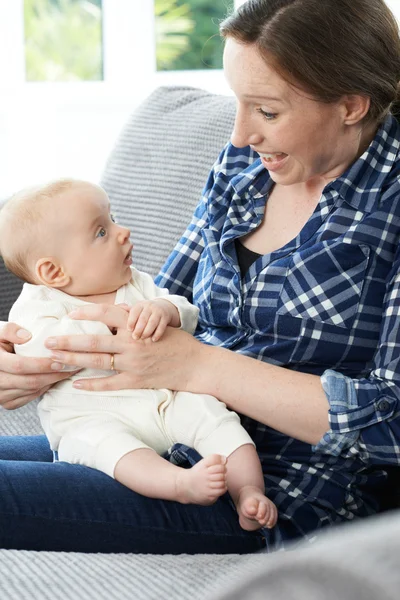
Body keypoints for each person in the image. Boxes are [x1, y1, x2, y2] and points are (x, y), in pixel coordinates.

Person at [0, 0, 399, 553]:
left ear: (352, 105)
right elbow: (158, 298)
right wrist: (34, 356)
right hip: (161, 427)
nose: (238, 136)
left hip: (288, 487)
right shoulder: (244, 169)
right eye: (237, 102)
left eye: (266, 110)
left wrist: (201, 364)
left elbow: (393, 422)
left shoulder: (390, 204)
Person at [0, 178, 277, 532]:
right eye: (101, 231)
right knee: (104, 446)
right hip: (95, 418)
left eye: (113, 218)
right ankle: (181, 485)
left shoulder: (136, 284)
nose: (123, 231)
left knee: (215, 418)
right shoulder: (40, 305)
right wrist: (111, 329)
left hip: (167, 400)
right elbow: (41, 351)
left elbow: (188, 314)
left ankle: (248, 492)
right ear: (54, 272)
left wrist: (165, 309)